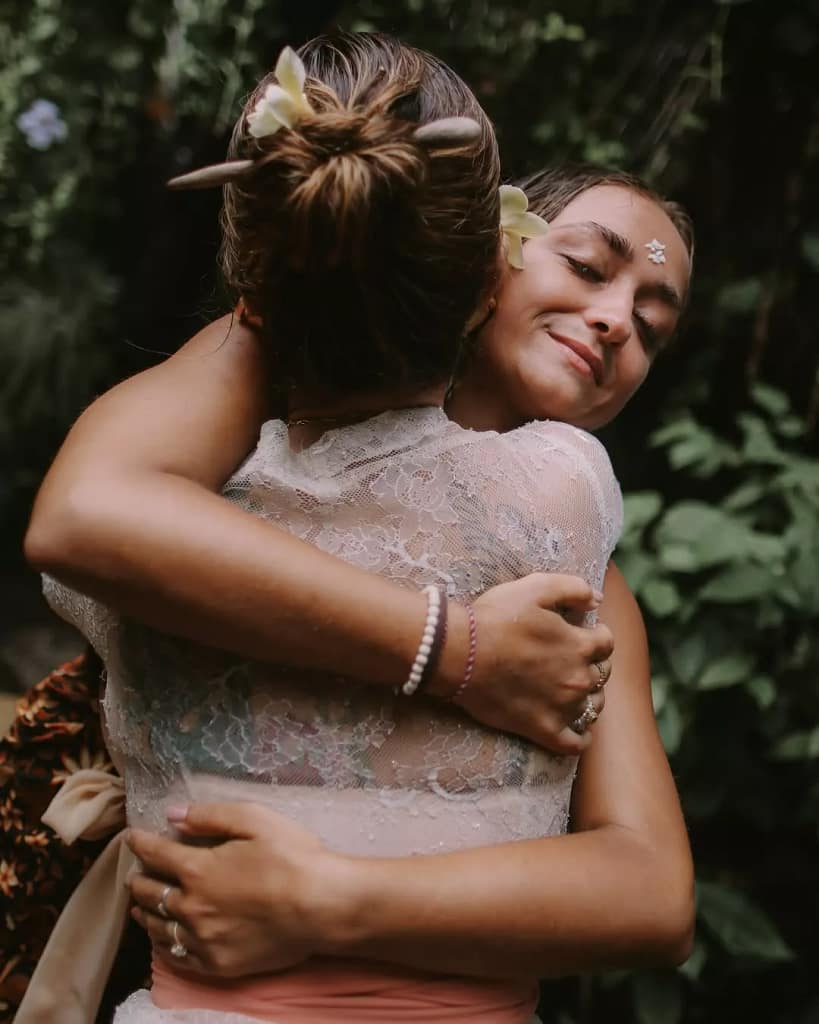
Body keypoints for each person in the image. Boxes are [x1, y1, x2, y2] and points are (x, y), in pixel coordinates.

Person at [19, 33, 695, 1024]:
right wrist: (456, 647)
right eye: (587, 267)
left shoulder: (582, 572)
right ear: (485, 268)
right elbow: (88, 521)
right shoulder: (189, 499)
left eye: (653, 322)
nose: (613, 321)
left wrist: (329, 901)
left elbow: (649, 891)